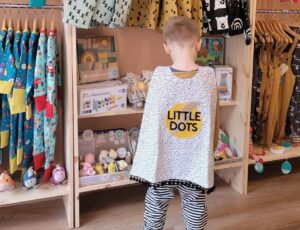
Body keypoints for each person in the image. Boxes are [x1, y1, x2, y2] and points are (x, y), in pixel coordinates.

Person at [130, 16, 219, 230]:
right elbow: (214, 118)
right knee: (195, 204)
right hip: (194, 160)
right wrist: (212, 146)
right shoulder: (209, 77)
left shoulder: (158, 77)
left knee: (155, 203)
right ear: (199, 44)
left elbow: (152, 121)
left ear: (166, 47)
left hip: (163, 161)